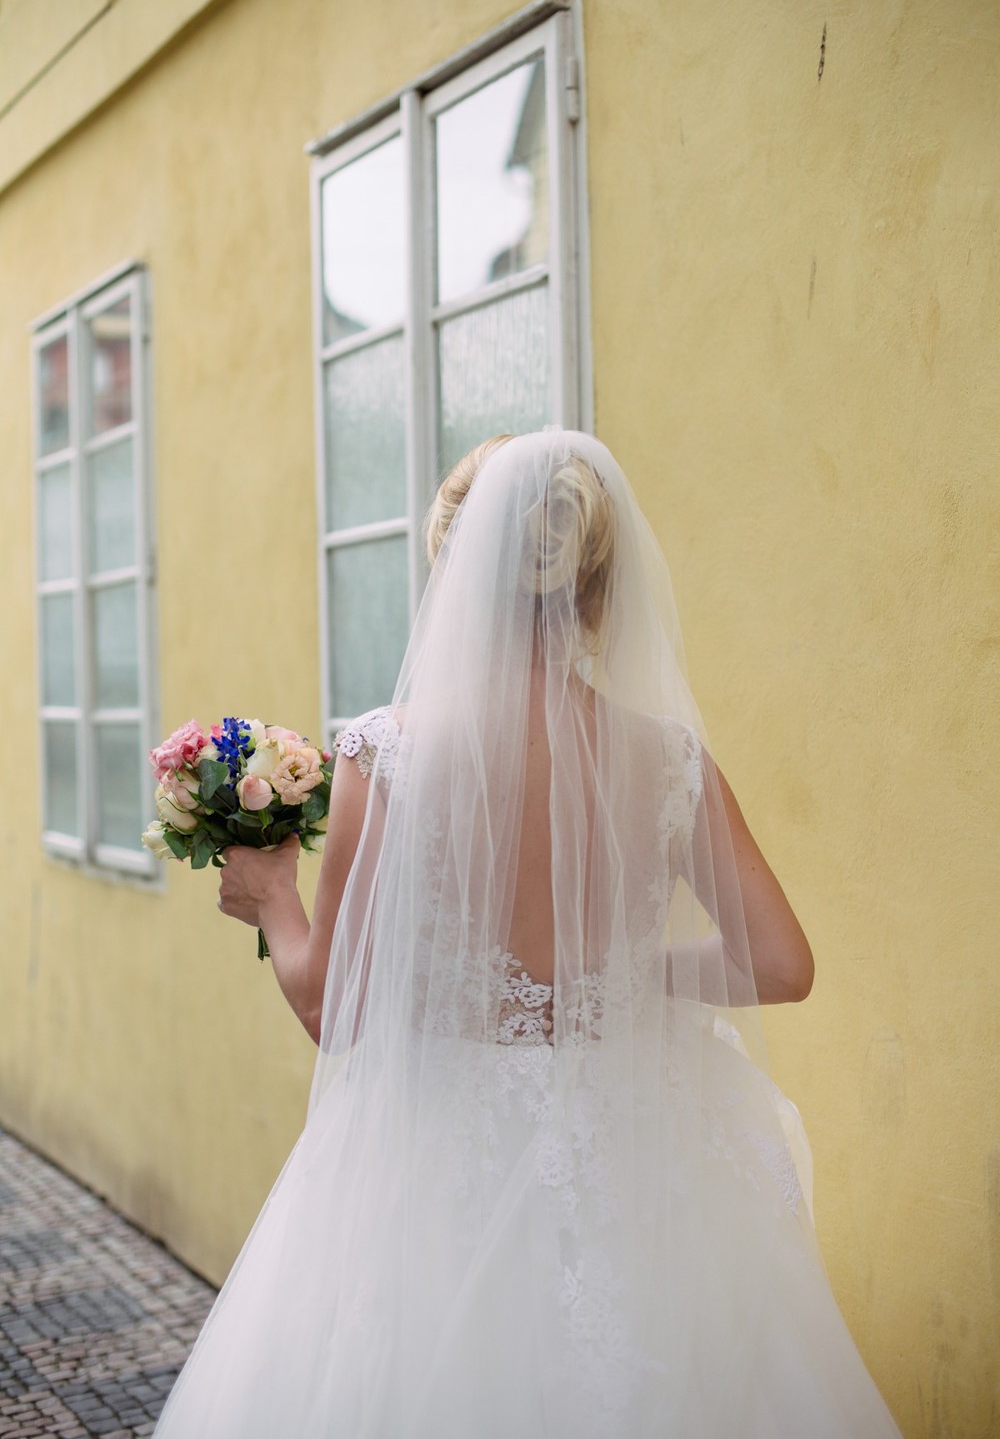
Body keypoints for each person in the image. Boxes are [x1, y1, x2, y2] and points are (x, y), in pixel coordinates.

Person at [153, 429, 902, 1437]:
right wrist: (625, 975)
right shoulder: (670, 759)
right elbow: (781, 965)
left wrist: (272, 898)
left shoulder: (386, 752)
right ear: (599, 585)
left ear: (454, 570)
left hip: (440, 1163)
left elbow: (333, 1008)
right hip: (643, 1148)